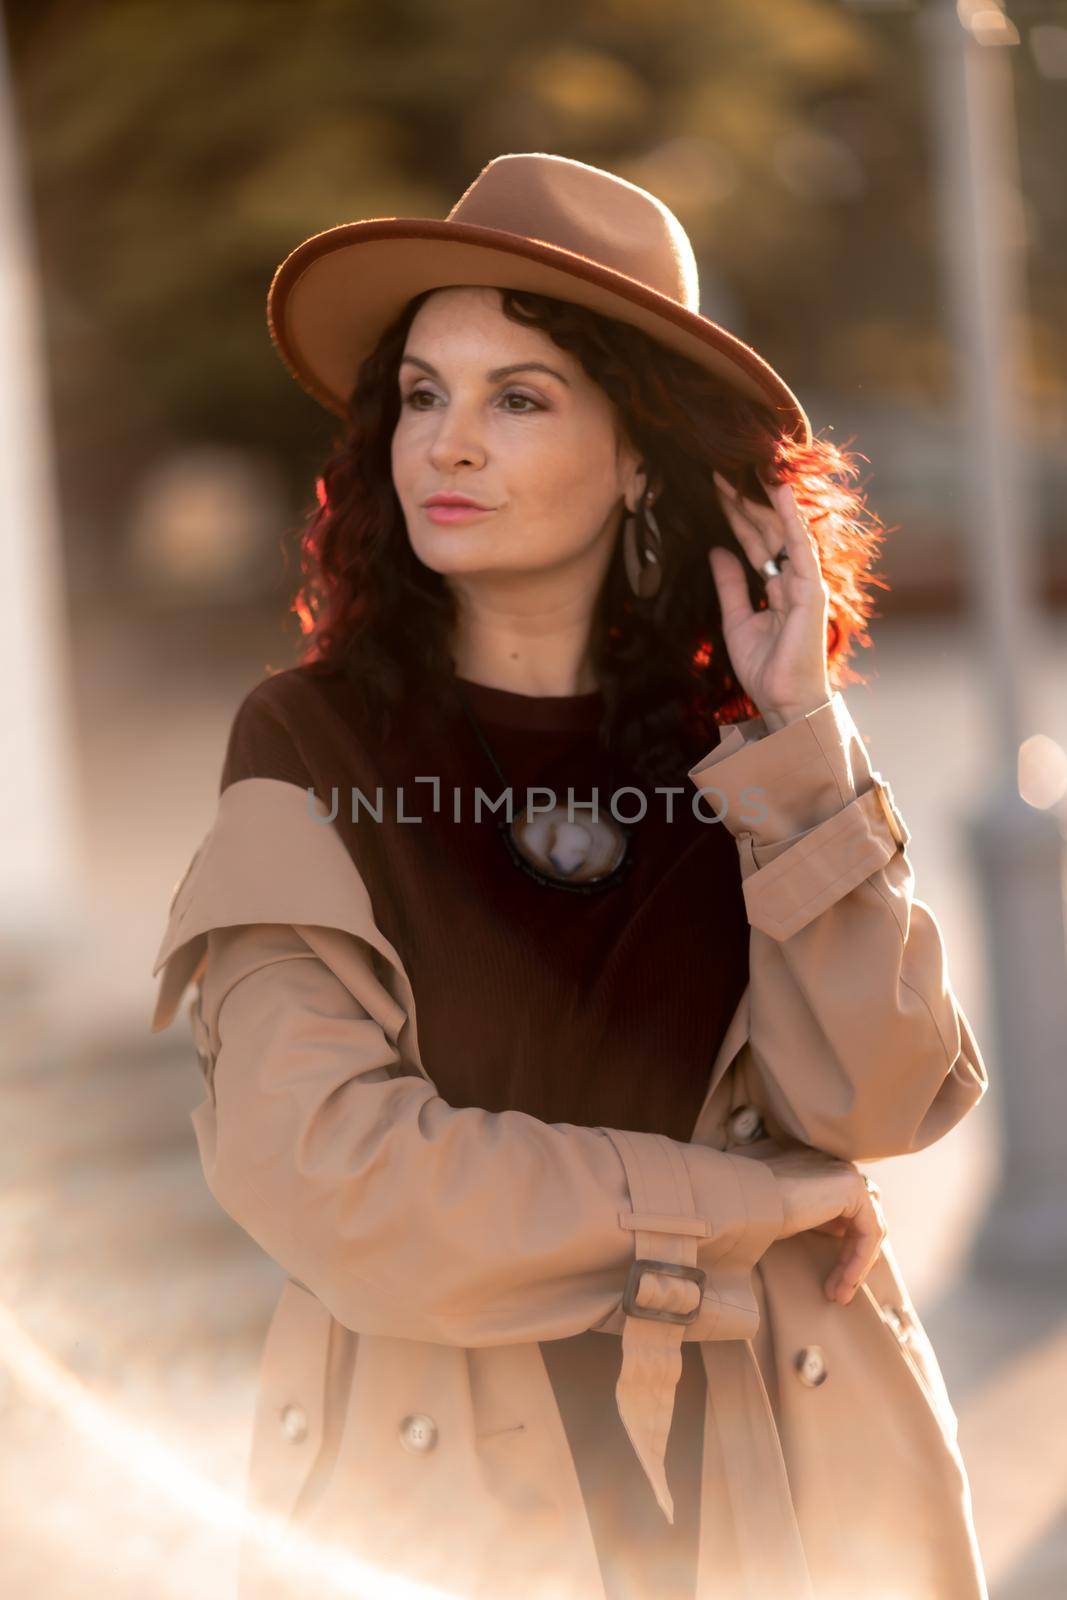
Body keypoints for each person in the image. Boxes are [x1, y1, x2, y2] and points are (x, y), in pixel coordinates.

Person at [151, 154, 989, 1600]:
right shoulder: (309, 740)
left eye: (518, 397)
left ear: (645, 458)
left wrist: (803, 730)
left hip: (782, 1480)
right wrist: (759, 1205)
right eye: (423, 394)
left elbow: (873, 1102)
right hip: (437, 1511)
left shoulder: (750, 752)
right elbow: (345, 1188)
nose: (447, 446)